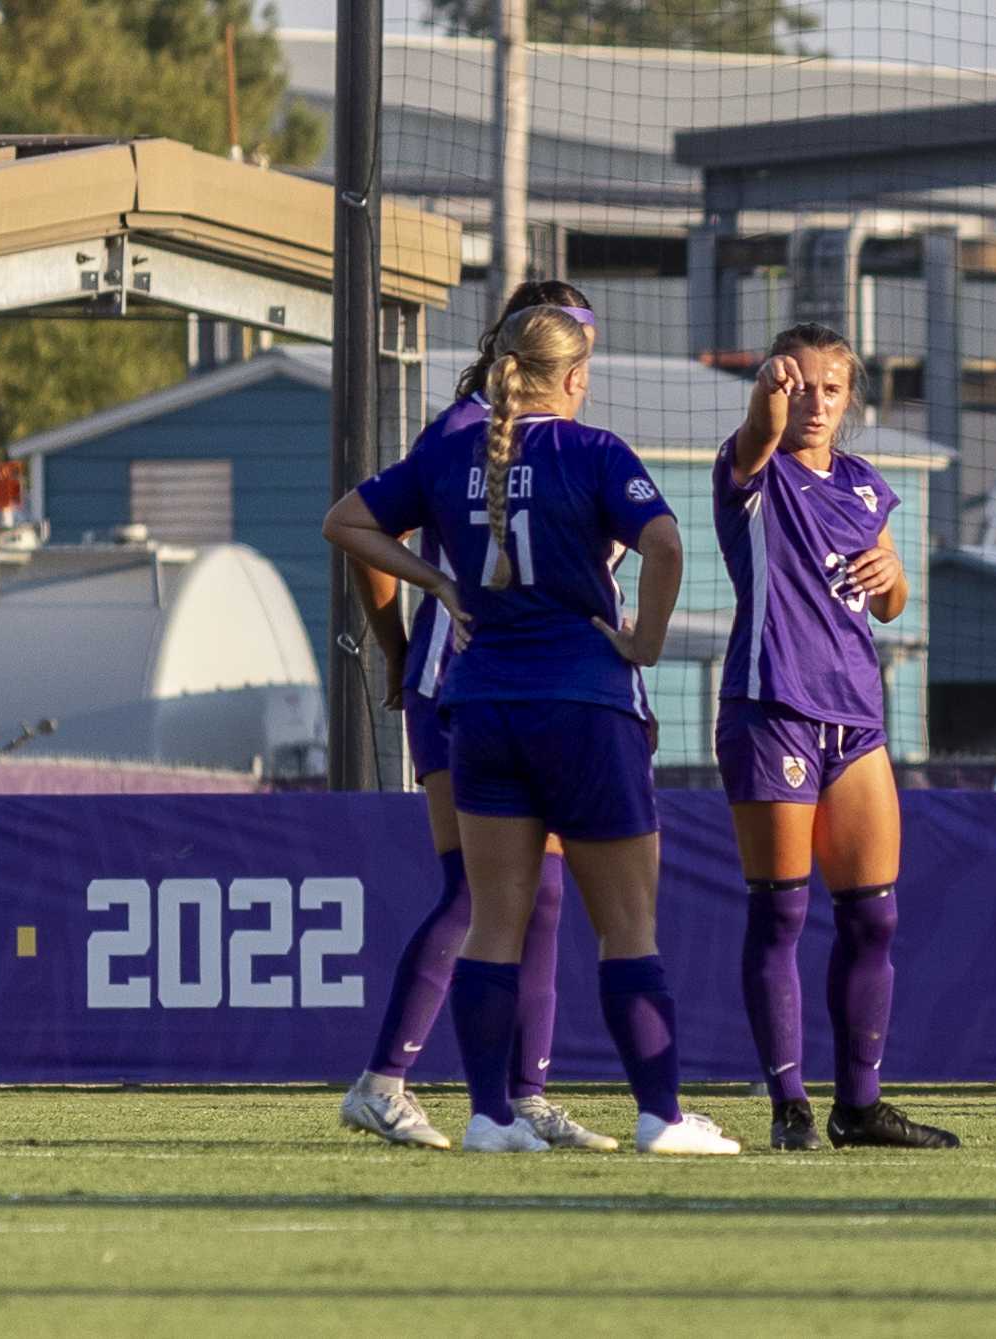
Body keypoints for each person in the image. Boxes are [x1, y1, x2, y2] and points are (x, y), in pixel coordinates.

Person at [323, 304, 736, 1155]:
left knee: (492, 921)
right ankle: (660, 1114)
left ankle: (490, 1116)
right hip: (585, 706)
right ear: (575, 377)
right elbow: (664, 543)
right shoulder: (594, 451)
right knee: (628, 926)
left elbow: (346, 523)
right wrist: (644, 645)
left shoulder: (449, 450)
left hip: (480, 707)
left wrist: (438, 586)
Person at [337, 281, 613, 1152]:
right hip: (462, 682)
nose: (582, 370)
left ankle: (522, 1098)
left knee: (544, 895)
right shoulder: (461, 431)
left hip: (533, 685)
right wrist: (407, 629)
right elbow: (356, 530)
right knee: (478, 890)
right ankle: (384, 1080)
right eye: (575, 350)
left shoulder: (562, 444)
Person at [713, 322, 959, 1153]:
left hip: (854, 717)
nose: (815, 401)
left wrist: (894, 581)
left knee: (873, 918)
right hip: (770, 705)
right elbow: (755, 435)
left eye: (830, 387)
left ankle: (860, 1104)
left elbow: (890, 600)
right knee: (780, 914)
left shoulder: (862, 484)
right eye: (799, 384)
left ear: (850, 397)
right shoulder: (753, 468)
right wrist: (764, 403)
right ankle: (789, 1107)